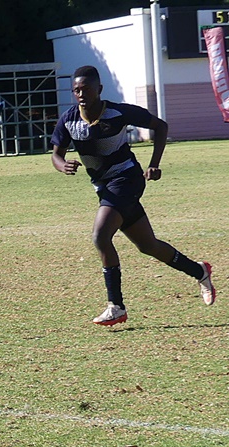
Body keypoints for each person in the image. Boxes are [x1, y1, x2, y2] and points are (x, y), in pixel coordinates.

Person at [50, 65, 214, 326]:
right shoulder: (68, 120)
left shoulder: (118, 112)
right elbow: (56, 155)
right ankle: (200, 271)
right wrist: (63, 165)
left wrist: (155, 163)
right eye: (76, 90)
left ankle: (116, 306)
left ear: (99, 90)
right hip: (104, 188)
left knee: (101, 236)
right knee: (148, 246)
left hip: (127, 179)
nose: (81, 94)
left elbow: (160, 126)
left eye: (86, 89)